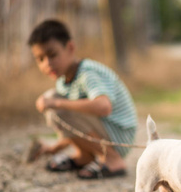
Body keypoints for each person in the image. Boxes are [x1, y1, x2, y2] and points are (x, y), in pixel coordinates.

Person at [27, 19, 137, 179]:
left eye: (52, 55)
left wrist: (56, 103)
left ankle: (113, 160)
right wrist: (55, 148)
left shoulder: (87, 73)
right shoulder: (63, 81)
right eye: (40, 59)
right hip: (106, 133)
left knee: (57, 105)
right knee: (57, 104)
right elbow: (74, 124)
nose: (47, 64)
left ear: (70, 48)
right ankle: (84, 156)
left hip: (118, 136)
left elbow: (104, 107)